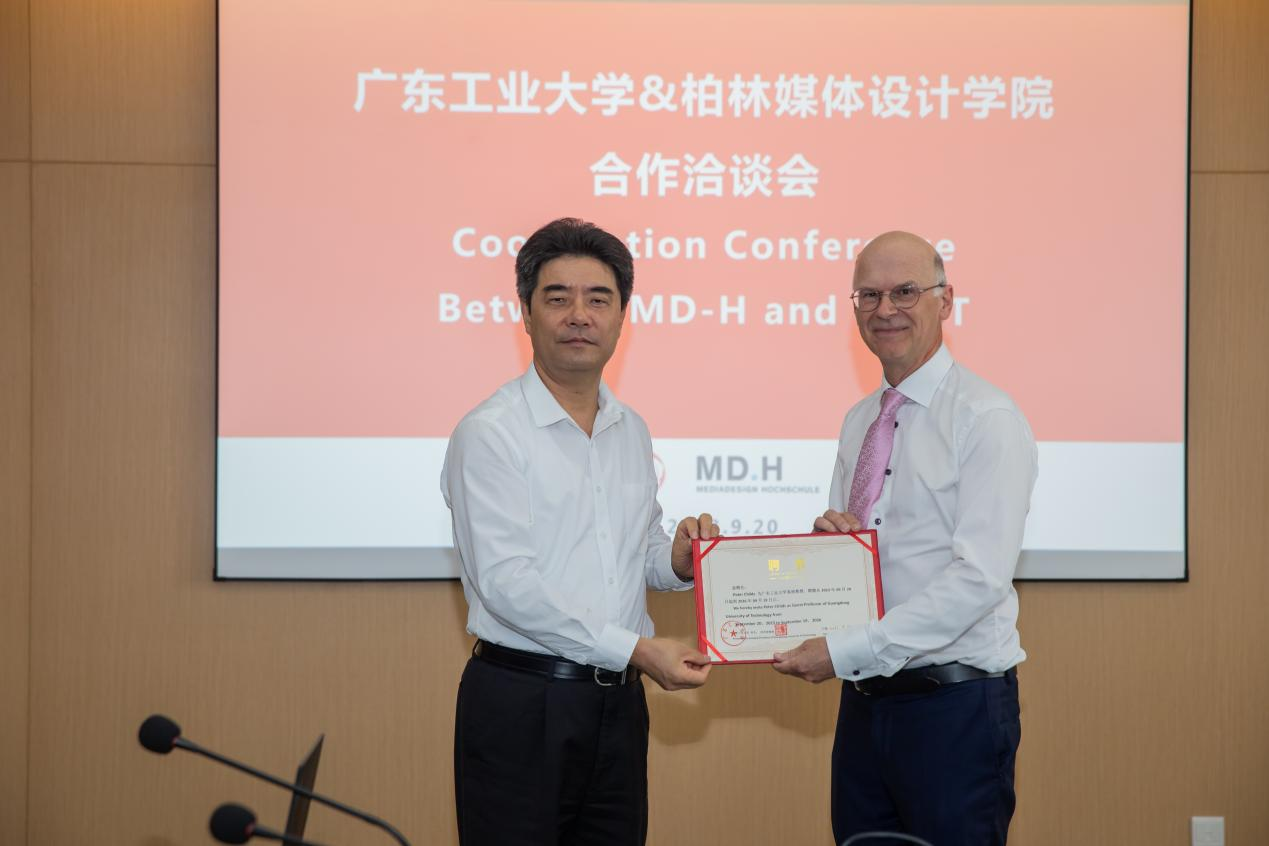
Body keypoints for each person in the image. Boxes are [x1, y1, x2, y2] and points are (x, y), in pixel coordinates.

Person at [441, 217, 717, 846]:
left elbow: (635, 553)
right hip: (522, 703)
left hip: (617, 707)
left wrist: (676, 561)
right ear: (525, 313)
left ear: (622, 316)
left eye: (598, 299)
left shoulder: (630, 428)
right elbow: (507, 585)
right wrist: (637, 650)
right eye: (557, 298)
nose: (579, 316)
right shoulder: (490, 434)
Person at [772, 231, 1038, 846]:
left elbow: (979, 580)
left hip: (954, 709)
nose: (885, 309)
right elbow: (857, 557)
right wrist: (828, 549)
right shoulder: (860, 420)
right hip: (865, 702)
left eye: (905, 291)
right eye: (869, 295)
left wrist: (847, 649)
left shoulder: (986, 418)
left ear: (946, 301)